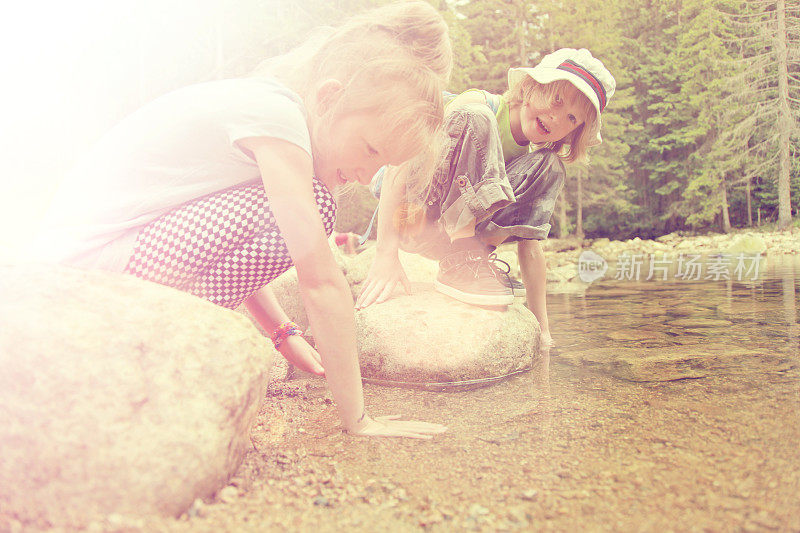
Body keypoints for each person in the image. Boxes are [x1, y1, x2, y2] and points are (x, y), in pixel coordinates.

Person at [32, 2, 452, 438]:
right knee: (320, 206)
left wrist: (281, 331)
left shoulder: (270, 106)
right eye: (371, 150)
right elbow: (319, 279)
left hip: (84, 265)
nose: (368, 179)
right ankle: (162, 346)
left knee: (312, 206)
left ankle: (164, 340)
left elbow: (240, 242)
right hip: (87, 271)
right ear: (330, 97)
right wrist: (359, 420)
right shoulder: (278, 121)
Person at [355, 48, 616, 348]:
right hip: (413, 217)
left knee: (549, 167)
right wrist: (385, 254)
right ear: (531, 86)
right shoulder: (480, 106)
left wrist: (542, 331)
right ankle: (462, 259)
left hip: (449, 242)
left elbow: (531, 248)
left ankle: (472, 257)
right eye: (556, 99)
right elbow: (397, 166)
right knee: (477, 119)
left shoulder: (529, 163)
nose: (557, 117)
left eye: (571, 118)